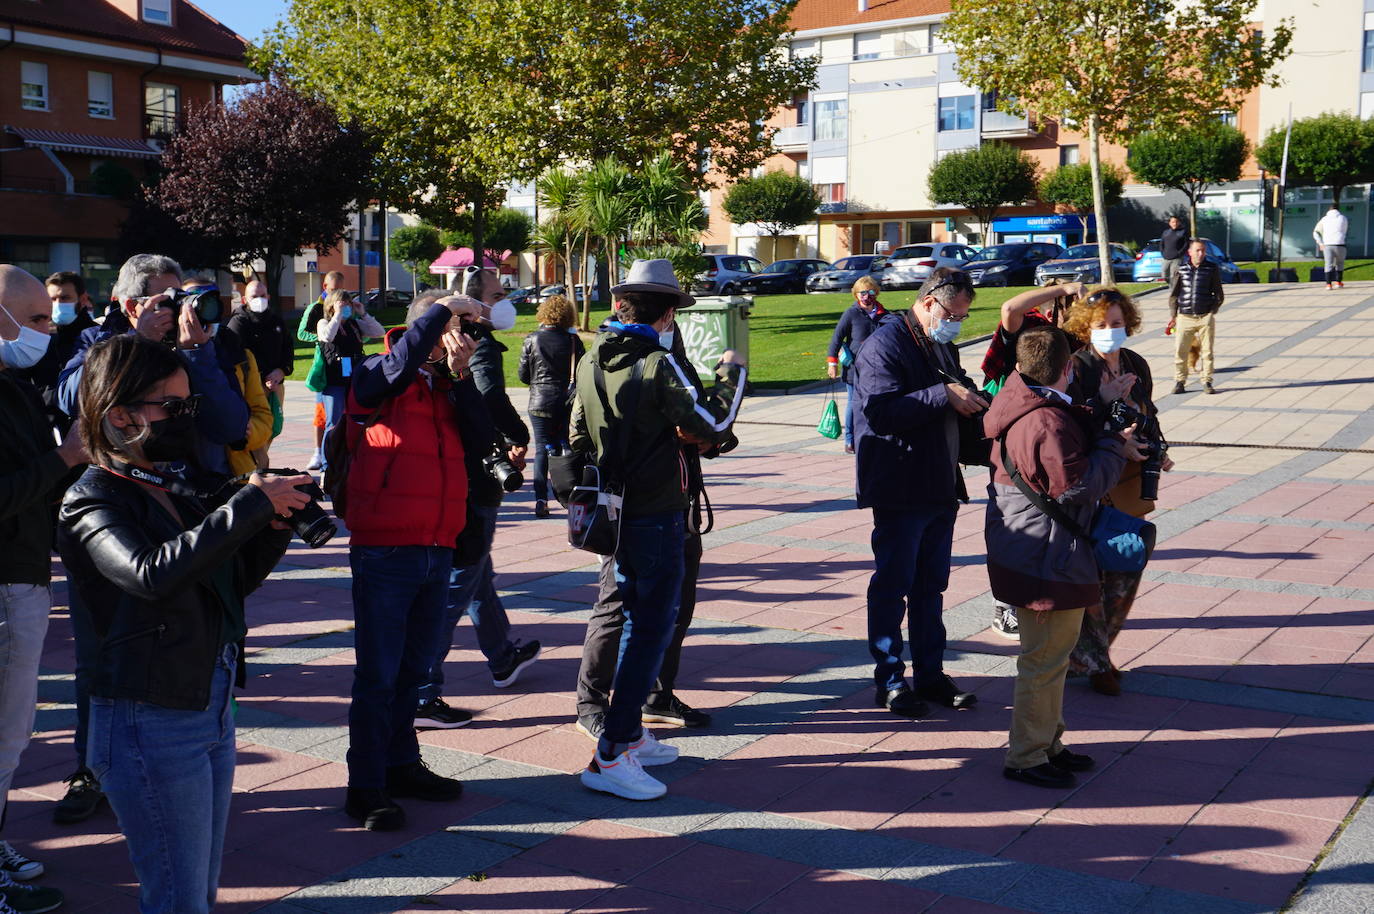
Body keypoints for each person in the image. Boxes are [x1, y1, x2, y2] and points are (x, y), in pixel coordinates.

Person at [57, 333, 308, 913]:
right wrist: (248, 506)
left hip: (203, 700)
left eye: (188, 403)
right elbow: (147, 575)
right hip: (148, 717)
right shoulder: (91, 498)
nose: (186, 417)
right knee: (178, 895)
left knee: (195, 888)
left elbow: (228, 581)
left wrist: (271, 528)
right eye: (172, 406)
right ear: (119, 414)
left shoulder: (170, 480)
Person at [570, 259, 745, 801]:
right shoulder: (657, 364)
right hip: (657, 511)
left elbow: (576, 434)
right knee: (651, 628)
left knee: (628, 618)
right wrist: (732, 373)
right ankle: (613, 751)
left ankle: (629, 733)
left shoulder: (592, 359)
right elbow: (713, 424)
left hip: (617, 511)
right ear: (668, 313)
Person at [339, 290, 487, 831]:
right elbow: (394, 371)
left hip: (438, 543)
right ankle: (366, 785)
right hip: (385, 547)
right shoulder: (380, 371)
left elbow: (481, 437)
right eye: (452, 324)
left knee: (414, 672)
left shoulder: (445, 383)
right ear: (427, 323)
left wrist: (461, 374)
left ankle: (402, 765)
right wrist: (442, 310)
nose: (460, 334)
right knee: (378, 675)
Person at [982, 326, 1134, 789]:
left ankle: (1048, 743)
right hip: (1045, 557)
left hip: (1033, 549)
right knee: (1043, 661)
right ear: (1068, 368)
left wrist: (1103, 408)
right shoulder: (1045, 421)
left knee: (1051, 657)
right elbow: (1078, 486)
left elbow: (1065, 442)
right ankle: (1027, 755)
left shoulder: (1021, 400)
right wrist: (1114, 446)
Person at [852, 267, 984, 720]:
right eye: (954, 314)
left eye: (964, 317)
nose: (957, 323)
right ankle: (890, 681)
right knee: (893, 585)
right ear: (929, 302)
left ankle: (932, 675)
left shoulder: (938, 342)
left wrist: (971, 395)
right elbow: (880, 412)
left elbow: (953, 387)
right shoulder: (883, 345)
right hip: (901, 486)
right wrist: (942, 395)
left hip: (939, 484)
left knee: (932, 587)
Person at [414, 269, 541, 730]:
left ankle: (503, 656)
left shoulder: (460, 343)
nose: (506, 303)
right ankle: (424, 689)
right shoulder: (476, 345)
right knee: (457, 584)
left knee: (476, 576)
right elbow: (487, 395)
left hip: (462, 480)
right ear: (475, 304)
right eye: (498, 296)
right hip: (474, 482)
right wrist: (516, 433)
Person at [0, 265, 83, 914]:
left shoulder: (17, 386)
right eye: (33, 319)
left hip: (23, 577)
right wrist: (67, 458)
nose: (47, 331)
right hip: (4, 585)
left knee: (12, 736)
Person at [1063, 289, 1174, 696]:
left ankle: (1095, 653)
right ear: (1083, 327)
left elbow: (1150, 413)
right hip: (1093, 482)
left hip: (1129, 486)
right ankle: (1095, 663)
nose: (1110, 331)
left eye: (1116, 323)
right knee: (1091, 577)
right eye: (1101, 325)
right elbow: (1068, 429)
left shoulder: (1135, 363)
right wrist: (1112, 438)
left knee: (1126, 566)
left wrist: (1158, 450)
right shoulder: (1077, 367)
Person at [57, 254, 251, 476]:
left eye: (181, 296)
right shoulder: (95, 339)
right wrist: (139, 343)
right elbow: (69, 399)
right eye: (167, 300)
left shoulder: (201, 344)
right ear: (132, 307)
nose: (179, 306)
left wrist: (196, 354)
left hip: (197, 483)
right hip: (126, 479)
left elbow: (231, 428)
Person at [978, 280, 1084, 641]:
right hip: (1019, 430)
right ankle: (1006, 604)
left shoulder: (1069, 342)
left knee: (1041, 526)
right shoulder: (1028, 334)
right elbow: (1010, 308)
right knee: (1015, 519)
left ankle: (1034, 600)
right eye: (1058, 303)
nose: (1061, 309)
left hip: (1049, 431)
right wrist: (1063, 286)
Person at [181, 275, 273, 477]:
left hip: (232, 472)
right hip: (184, 474)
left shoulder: (240, 355)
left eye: (208, 302)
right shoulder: (169, 355)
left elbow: (264, 416)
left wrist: (248, 432)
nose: (201, 311)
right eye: (194, 301)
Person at [518, 294, 585, 517]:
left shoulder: (532, 339)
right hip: (566, 402)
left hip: (539, 402)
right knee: (566, 446)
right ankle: (569, 494)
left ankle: (540, 499)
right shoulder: (574, 341)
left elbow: (523, 375)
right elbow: (582, 373)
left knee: (541, 451)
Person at [15, 271, 98, 433]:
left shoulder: (97, 336)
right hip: (48, 428)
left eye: (65, 298)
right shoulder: (40, 336)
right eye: (53, 299)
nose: (58, 304)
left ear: (82, 299)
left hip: (88, 427)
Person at [314, 289, 385, 468]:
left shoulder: (354, 324)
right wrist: (338, 315)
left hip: (354, 379)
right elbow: (327, 336)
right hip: (334, 381)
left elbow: (379, 332)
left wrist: (363, 313)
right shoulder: (324, 323)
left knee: (356, 419)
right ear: (332, 305)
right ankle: (327, 465)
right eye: (342, 303)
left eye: (348, 304)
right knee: (334, 421)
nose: (346, 307)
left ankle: (350, 459)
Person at [225, 279, 294, 461]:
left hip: (276, 385)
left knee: (273, 428)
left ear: (269, 297)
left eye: (263, 296)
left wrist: (282, 370)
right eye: (254, 296)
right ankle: (259, 469)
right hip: (252, 389)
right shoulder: (238, 323)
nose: (259, 300)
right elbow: (238, 359)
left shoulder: (276, 321)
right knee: (256, 431)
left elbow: (288, 348)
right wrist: (261, 378)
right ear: (244, 300)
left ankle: (260, 465)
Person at [826, 277, 888, 454]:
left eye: (869, 292)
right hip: (854, 369)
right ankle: (850, 440)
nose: (866, 296)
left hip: (877, 369)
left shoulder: (883, 313)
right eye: (862, 292)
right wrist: (832, 363)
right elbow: (836, 339)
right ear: (856, 294)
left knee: (875, 403)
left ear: (875, 293)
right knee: (854, 404)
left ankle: (873, 435)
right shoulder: (851, 314)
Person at [1166, 239, 1224, 395]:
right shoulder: (1181, 269)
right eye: (1198, 250)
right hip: (1185, 316)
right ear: (1189, 252)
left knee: (1207, 351)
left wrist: (1212, 310)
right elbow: (1174, 295)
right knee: (1180, 350)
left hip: (1205, 316)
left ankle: (1207, 381)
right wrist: (1174, 316)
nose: (1201, 253)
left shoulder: (1211, 269)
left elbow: (1219, 294)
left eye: (1203, 250)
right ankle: (1180, 381)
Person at [300, 271, 345, 470]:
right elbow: (302, 333)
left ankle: (342, 453)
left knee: (343, 413)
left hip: (344, 366)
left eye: (341, 290)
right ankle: (319, 452)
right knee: (323, 415)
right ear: (325, 287)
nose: (337, 294)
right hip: (325, 367)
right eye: (334, 289)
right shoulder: (316, 308)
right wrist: (321, 338)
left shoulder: (345, 307)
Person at [1314, 204, 1349, 290]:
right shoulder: (1343, 218)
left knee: (1328, 264)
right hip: (1340, 244)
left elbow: (1316, 232)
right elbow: (1345, 230)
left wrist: (1320, 243)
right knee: (1340, 263)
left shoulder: (1324, 219)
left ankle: (1328, 284)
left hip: (1327, 245)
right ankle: (1338, 282)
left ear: (1329, 210)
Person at [1159, 215, 1188, 287]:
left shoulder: (1182, 232)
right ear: (1170, 223)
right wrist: (1163, 253)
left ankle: (1173, 292)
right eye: (1173, 222)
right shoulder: (1166, 232)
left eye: (1176, 222)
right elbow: (1161, 243)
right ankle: (1174, 287)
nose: (1174, 223)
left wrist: (1179, 253)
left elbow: (1186, 244)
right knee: (1164, 275)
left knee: (1173, 276)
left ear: (1179, 223)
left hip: (1176, 258)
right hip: (1166, 257)